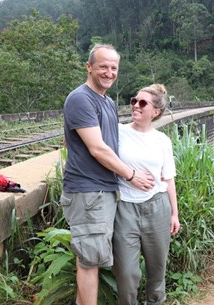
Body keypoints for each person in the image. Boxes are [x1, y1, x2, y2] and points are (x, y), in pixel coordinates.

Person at [60, 43, 155, 305]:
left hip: (103, 190)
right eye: (103, 66)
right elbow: (98, 148)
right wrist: (131, 175)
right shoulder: (80, 98)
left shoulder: (107, 102)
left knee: (94, 257)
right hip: (89, 191)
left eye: (114, 68)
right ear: (89, 67)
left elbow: (76, 142)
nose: (109, 72)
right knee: (90, 260)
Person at [112, 83, 180, 305]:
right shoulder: (118, 131)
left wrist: (174, 214)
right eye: (134, 100)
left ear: (156, 112)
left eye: (143, 103)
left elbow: (168, 179)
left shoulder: (162, 141)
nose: (136, 106)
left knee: (157, 270)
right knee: (126, 274)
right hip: (124, 208)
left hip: (157, 207)